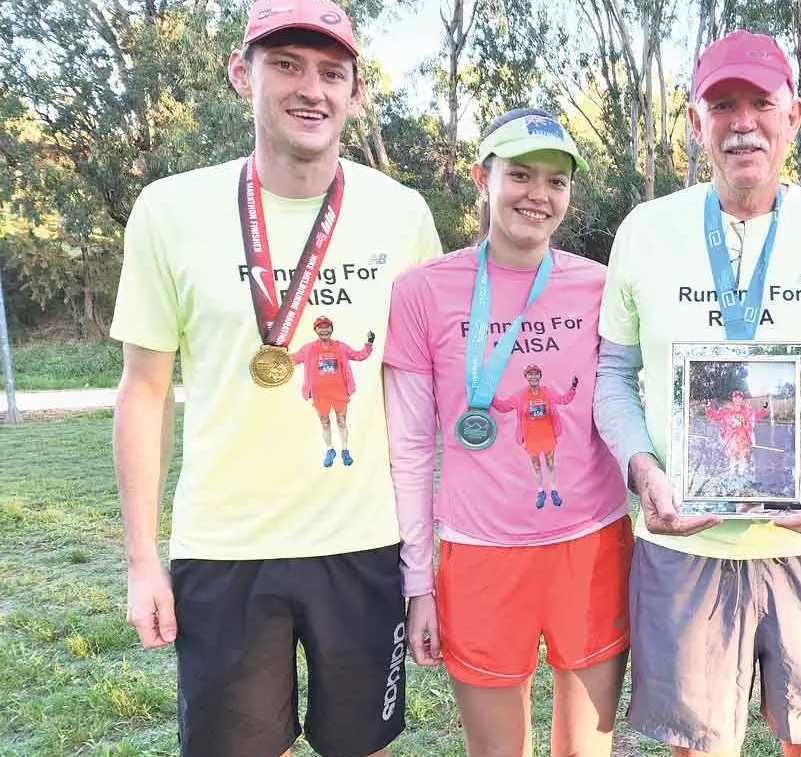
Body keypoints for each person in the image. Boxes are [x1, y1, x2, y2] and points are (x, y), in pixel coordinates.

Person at [110, 0, 443, 754]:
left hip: (363, 542)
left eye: (332, 72)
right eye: (286, 64)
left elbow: (423, 388)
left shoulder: (402, 213)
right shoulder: (169, 211)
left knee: (358, 745)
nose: (311, 89)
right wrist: (139, 561)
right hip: (225, 546)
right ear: (241, 73)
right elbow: (143, 390)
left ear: (356, 92)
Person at [594, 29, 801, 757]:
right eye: (720, 104)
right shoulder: (644, 229)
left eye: (760, 102)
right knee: (696, 746)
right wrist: (642, 469)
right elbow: (611, 376)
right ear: (695, 122)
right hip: (685, 544)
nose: (741, 121)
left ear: (792, 116)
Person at [384, 108, 631, 757]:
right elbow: (409, 450)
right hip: (479, 554)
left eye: (556, 181)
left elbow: (631, 400)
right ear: (481, 178)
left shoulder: (601, 286)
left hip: (592, 545)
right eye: (520, 174)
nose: (538, 195)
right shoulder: (420, 292)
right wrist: (418, 583)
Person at [491, 363, 581, 509]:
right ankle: (541, 492)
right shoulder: (520, 395)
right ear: (526, 377)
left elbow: (564, 400)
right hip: (531, 437)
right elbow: (503, 407)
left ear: (540, 376)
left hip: (548, 435)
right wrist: (490, 396)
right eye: (530, 374)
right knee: (537, 467)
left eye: (536, 373)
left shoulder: (547, 392)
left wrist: (573, 388)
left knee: (550, 464)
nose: (533, 376)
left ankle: (553, 491)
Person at [290, 315, 376, 466]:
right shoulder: (308, 348)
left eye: (327, 327)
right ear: (315, 330)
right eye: (320, 327)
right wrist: (275, 352)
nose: (324, 330)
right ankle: (330, 449)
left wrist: (369, 343)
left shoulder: (340, 347)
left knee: (341, 422)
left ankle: (345, 450)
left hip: (339, 392)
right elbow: (292, 359)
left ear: (331, 329)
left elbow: (358, 355)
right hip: (320, 394)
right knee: (324, 422)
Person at [702, 390, 769, 476]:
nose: (738, 400)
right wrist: (708, 407)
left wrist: (764, 409)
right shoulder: (727, 410)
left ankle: (741, 474)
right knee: (732, 456)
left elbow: (755, 416)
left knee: (742, 456)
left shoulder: (747, 410)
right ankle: (732, 473)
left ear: (742, 399)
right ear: (733, 399)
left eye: (740, 398)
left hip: (743, 438)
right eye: (736, 398)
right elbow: (715, 415)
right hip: (731, 438)